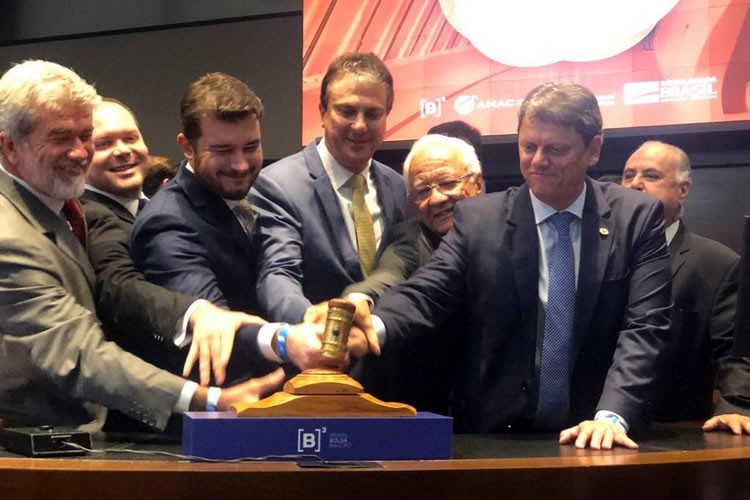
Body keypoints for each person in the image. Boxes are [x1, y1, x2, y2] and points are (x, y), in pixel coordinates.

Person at [356, 82, 672, 449]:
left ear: (594, 149)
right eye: (528, 147)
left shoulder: (635, 218)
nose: (538, 161)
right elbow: (428, 292)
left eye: (555, 149)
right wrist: (373, 325)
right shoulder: (480, 220)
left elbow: (645, 326)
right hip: (497, 435)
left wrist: (612, 416)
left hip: (597, 433)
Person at [0, 60, 283, 430]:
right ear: (10, 147)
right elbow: (79, 354)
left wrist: (199, 314)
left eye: (85, 135)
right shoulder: (9, 236)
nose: (80, 152)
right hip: (28, 448)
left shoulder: (65, 210)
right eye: (60, 138)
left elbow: (120, 292)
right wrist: (207, 400)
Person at [131, 73, 347, 384]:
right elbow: (217, 325)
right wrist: (287, 340)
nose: (241, 164)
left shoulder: (261, 192)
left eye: (251, 147)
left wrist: (309, 316)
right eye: (222, 150)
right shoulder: (166, 222)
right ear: (187, 147)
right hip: (226, 401)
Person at [82, 98, 312, 389]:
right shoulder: (100, 216)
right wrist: (282, 340)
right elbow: (123, 288)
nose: (122, 150)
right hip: (209, 395)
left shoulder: (251, 191)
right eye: (104, 143)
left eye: (130, 138)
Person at [251, 52, 408, 324]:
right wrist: (313, 323)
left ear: (387, 116)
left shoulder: (397, 186)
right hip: (316, 344)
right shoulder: (277, 185)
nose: (360, 125)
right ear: (323, 113)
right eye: (347, 111)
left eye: (373, 114)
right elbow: (278, 274)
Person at [344, 133, 483, 413]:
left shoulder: (509, 227)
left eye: (448, 183)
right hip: (432, 403)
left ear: (477, 183)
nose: (437, 198)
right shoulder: (411, 238)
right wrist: (358, 299)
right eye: (423, 191)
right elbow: (387, 275)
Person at [621, 141, 748, 431]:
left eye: (651, 176)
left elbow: (736, 351)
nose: (635, 184)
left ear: (683, 189)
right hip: (587, 427)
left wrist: (737, 407)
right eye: (628, 175)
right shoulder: (594, 253)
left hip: (673, 432)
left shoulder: (717, 263)